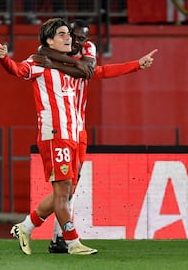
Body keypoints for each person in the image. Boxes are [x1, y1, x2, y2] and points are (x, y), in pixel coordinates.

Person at [33, 19, 157, 253]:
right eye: (74, 35)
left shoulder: (87, 49)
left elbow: (91, 71)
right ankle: (59, 238)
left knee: (71, 187)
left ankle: (47, 232)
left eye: (82, 37)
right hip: (62, 127)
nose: (78, 41)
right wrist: (61, 63)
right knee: (65, 187)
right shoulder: (48, 50)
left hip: (79, 129)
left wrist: (136, 65)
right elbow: (42, 53)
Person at [0, 18, 97, 255]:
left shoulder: (70, 62)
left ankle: (25, 226)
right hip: (55, 134)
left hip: (72, 133)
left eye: (68, 34)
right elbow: (17, 69)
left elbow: (88, 70)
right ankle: (72, 242)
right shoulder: (36, 63)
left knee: (67, 191)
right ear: (49, 40)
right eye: (62, 34)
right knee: (62, 192)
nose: (68, 38)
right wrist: (3, 58)